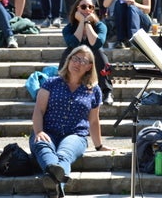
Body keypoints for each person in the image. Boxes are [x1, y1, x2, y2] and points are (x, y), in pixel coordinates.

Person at [30, 45, 113, 198]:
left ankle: (52, 182)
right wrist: (39, 131)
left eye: (83, 61)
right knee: (43, 146)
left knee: (64, 154)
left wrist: (99, 146)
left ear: (89, 66)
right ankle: (57, 186)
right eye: (75, 58)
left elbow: (93, 121)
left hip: (75, 135)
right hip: (47, 130)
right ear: (68, 61)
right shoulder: (51, 83)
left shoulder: (94, 90)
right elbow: (38, 110)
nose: (77, 63)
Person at [60, 0, 114, 105]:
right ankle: (61, 87)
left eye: (91, 7)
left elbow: (97, 43)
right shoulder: (69, 28)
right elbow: (73, 43)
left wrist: (88, 23)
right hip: (77, 58)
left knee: (99, 52)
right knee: (67, 52)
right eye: (83, 7)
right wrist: (81, 23)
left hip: (92, 58)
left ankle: (107, 91)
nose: (87, 9)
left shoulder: (100, 26)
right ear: (77, 9)